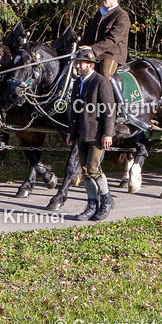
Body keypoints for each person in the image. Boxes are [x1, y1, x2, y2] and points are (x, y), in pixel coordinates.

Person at [66, 48, 116, 221]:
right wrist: (71, 132)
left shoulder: (101, 82)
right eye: (77, 63)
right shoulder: (76, 83)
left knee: (93, 169)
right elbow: (73, 111)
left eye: (81, 64)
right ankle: (92, 205)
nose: (78, 66)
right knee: (85, 171)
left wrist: (108, 134)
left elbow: (109, 110)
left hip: (97, 134)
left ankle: (107, 199)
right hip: (81, 133)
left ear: (91, 65)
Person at [79, 0, 130, 80]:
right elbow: (89, 34)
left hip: (112, 54)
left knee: (105, 74)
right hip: (95, 52)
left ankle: (112, 90)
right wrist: (79, 47)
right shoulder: (99, 14)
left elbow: (112, 39)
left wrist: (93, 48)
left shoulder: (121, 16)